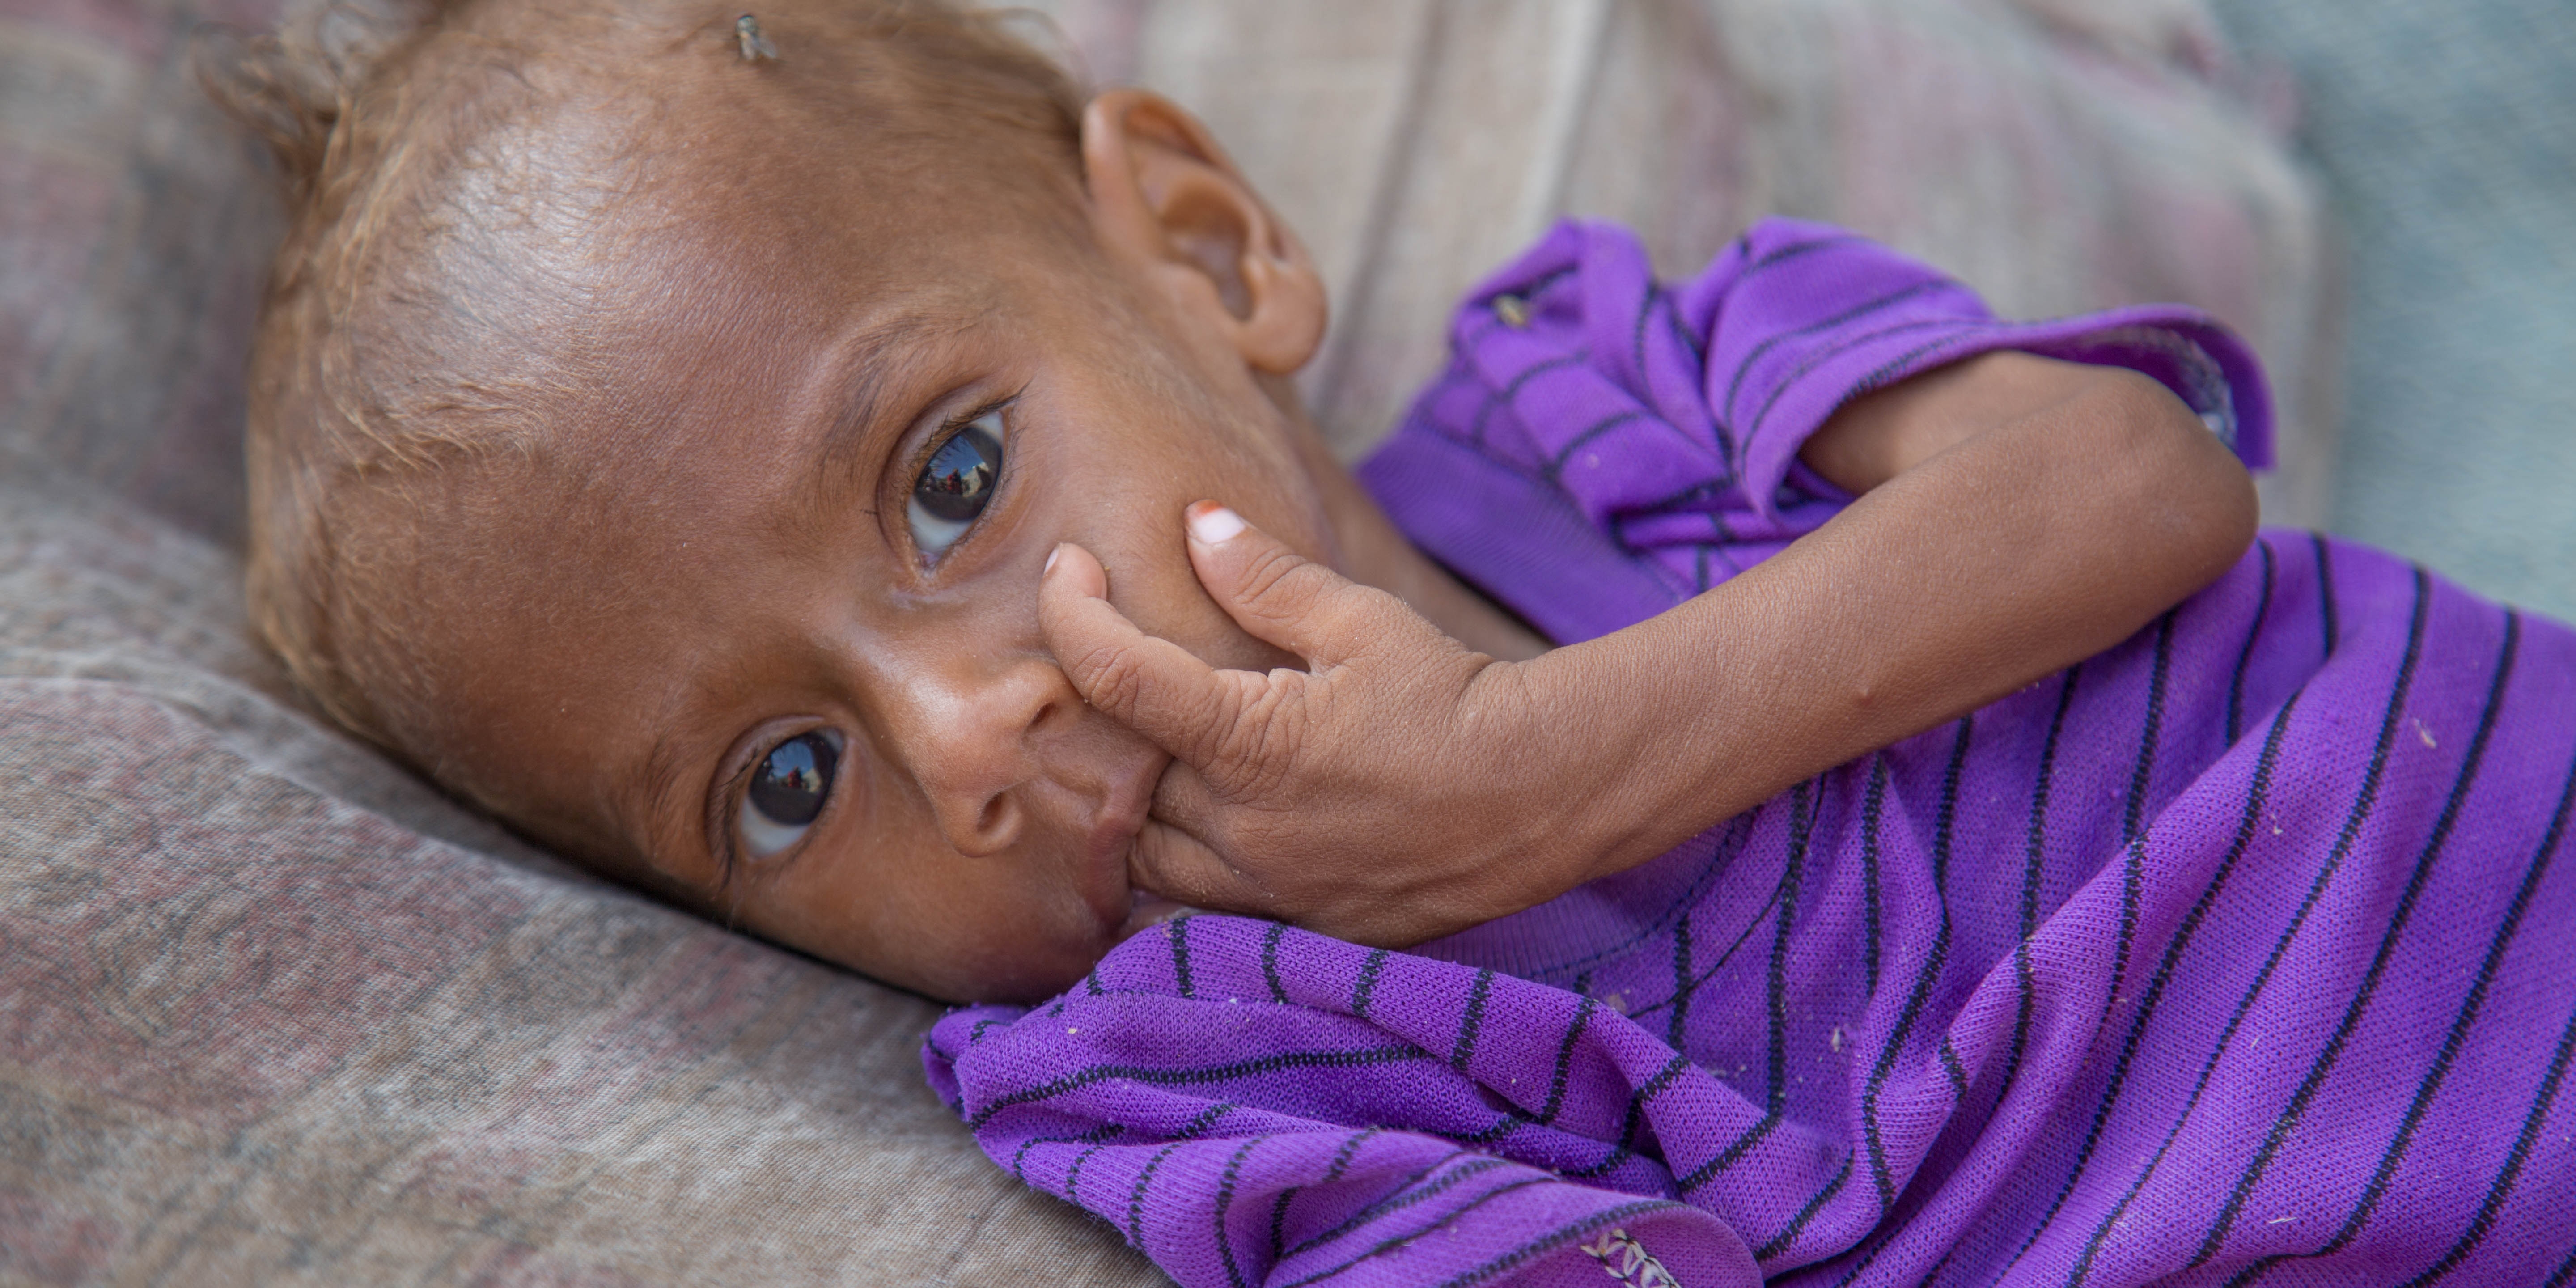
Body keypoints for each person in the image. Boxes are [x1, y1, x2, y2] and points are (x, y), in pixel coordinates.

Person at [217, 0, 2576, 1283]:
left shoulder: (1616, 385)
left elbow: (2140, 484)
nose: (965, 734)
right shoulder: (1169, 1073)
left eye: (951, 477)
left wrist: (1555, 764)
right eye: (782, 785)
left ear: (1205, 247)